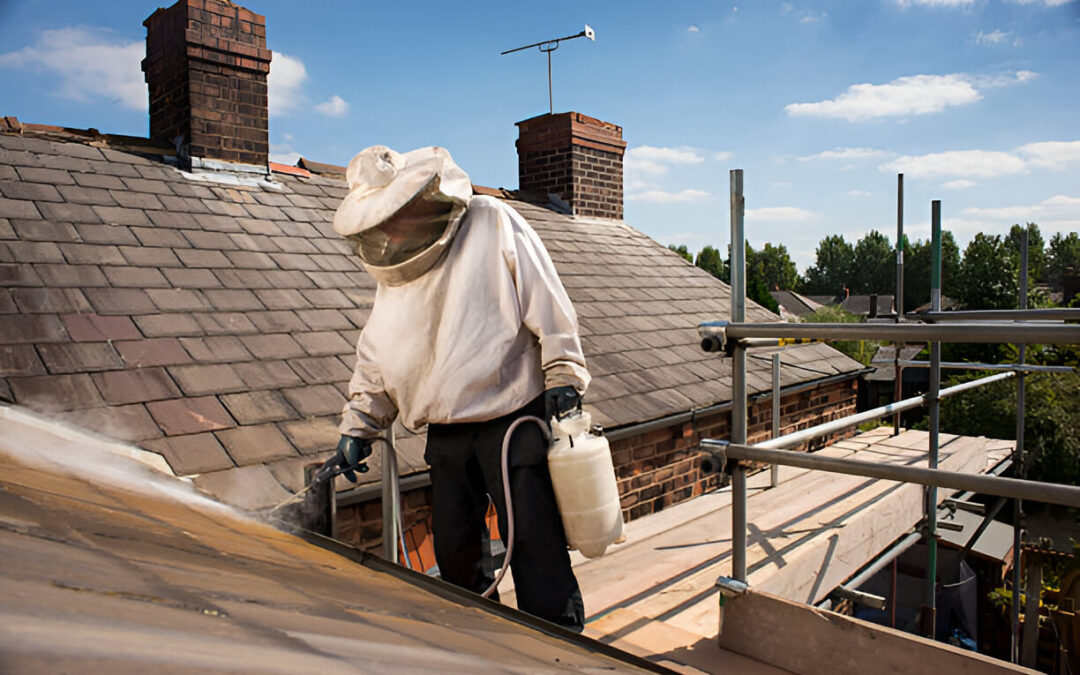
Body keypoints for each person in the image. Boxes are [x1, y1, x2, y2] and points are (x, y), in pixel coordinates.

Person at [323, 145, 590, 631]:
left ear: (421, 201)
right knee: (455, 552)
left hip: (511, 415)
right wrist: (357, 426)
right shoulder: (396, 269)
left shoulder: (490, 221)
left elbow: (547, 299)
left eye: (395, 217)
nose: (389, 232)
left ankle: (561, 648)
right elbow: (381, 355)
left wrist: (565, 372)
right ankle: (479, 646)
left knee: (533, 545)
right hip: (444, 432)